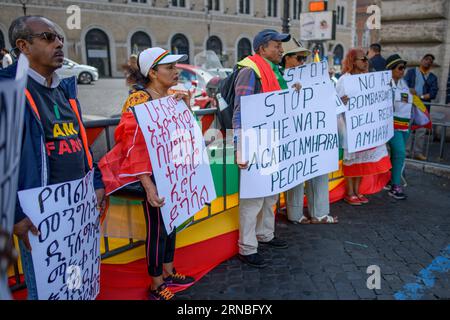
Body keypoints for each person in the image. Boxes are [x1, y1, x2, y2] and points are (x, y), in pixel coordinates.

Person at [0, 16, 106, 300]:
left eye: (59, 37)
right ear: (23, 45)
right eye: (48, 37)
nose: (59, 43)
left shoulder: (64, 89)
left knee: (74, 280)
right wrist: (14, 214)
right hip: (37, 216)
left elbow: (80, 143)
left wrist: (95, 181)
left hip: (75, 211)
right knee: (47, 289)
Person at [99, 47, 194, 300]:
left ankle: (169, 271)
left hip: (171, 172)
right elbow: (133, 145)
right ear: (152, 72)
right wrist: (148, 184)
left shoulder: (172, 96)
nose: (176, 72)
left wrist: (187, 107)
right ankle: (156, 283)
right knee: (157, 228)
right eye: (170, 68)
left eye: (176, 67)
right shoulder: (139, 100)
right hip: (149, 175)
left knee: (171, 223)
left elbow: (185, 133)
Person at [232, 29, 290, 268]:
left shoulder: (274, 72)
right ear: (262, 48)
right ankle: (247, 248)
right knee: (253, 199)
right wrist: (239, 147)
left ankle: (265, 234)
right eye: (277, 45)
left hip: (271, 140)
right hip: (253, 142)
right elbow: (240, 110)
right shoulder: (249, 71)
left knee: (270, 195)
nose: (281, 50)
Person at [281, 40, 338, 225]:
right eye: (299, 58)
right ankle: (295, 215)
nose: (302, 62)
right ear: (286, 59)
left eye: (304, 58)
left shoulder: (310, 77)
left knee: (319, 169)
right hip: (293, 134)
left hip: (314, 133)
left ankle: (320, 213)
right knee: (296, 173)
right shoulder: (279, 76)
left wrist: (326, 83)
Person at [336, 49, 392, 206]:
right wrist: (342, 101)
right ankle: (350, 192)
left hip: (364, 128)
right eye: (363, 59)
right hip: (350, 128)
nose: (366, 62)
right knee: (352, 162)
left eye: (367, 59)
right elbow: (336, 102)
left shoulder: (369, 80)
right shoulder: (344, 80)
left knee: (361, 162)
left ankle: (357, 190)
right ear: (353, 61)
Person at [385, 54, 411, 200]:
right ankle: (395, 186)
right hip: (390, 126)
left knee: (396, 155)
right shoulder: (384, 85)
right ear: (391, 69)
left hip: (404, 125)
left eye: (404, 68)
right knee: (400, 153)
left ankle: (391, 180)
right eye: (400, 68)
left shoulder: (404, 84)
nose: (402, 71)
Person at [404, 54, 439, 160]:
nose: (428, 61)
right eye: (426, 59)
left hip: (423, 107)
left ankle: (417, 153)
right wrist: (410, 90)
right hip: (410, 106)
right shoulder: (411, 72)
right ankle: (406, 151)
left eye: (430, 61)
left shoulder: (433, 77)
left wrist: (420, 97)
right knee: (408, 129)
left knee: (421, 131)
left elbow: (433, 93)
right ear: (421, 60)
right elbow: (405, 86)